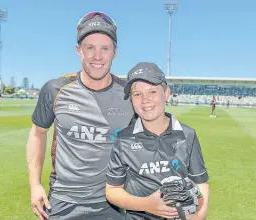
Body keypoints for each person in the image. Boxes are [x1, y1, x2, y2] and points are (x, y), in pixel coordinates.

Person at [26, 11, 134, 220]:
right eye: (89, 47)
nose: (97, 56)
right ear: (79, 51)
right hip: (62, 203)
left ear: (115, 52)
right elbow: (37, 133)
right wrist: (35, 184)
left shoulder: (128, 94)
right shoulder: (55, 90)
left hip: (111, 202)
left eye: (105, 48)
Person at [106, 62, 209, 220]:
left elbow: (200, 182)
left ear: (167, 93)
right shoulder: (123, 139)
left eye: (152, 91)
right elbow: (112, 190)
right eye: (137, 94)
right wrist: (147, 204)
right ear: (131, 99)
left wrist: (199, 217)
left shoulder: (187, 134)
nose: (145, 100)